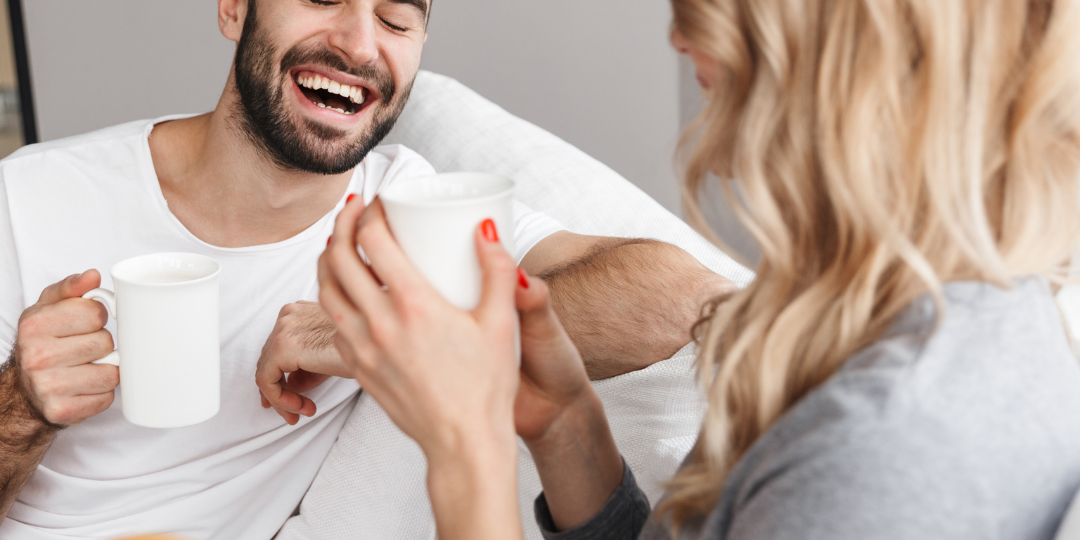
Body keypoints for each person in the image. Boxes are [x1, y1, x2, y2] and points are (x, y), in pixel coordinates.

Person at [319, 0, 1080, 538]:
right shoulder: (949, 319)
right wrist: (567, 428)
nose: (678, 33)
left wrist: (464, 444)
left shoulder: (894, 446)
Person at [0, 0, 732, 538]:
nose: (357, 44)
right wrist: (21, 406)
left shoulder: (413, 216)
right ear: (233, 9)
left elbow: (676, 300)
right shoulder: (28, 198)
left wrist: (360, 337)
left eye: (396, 17)